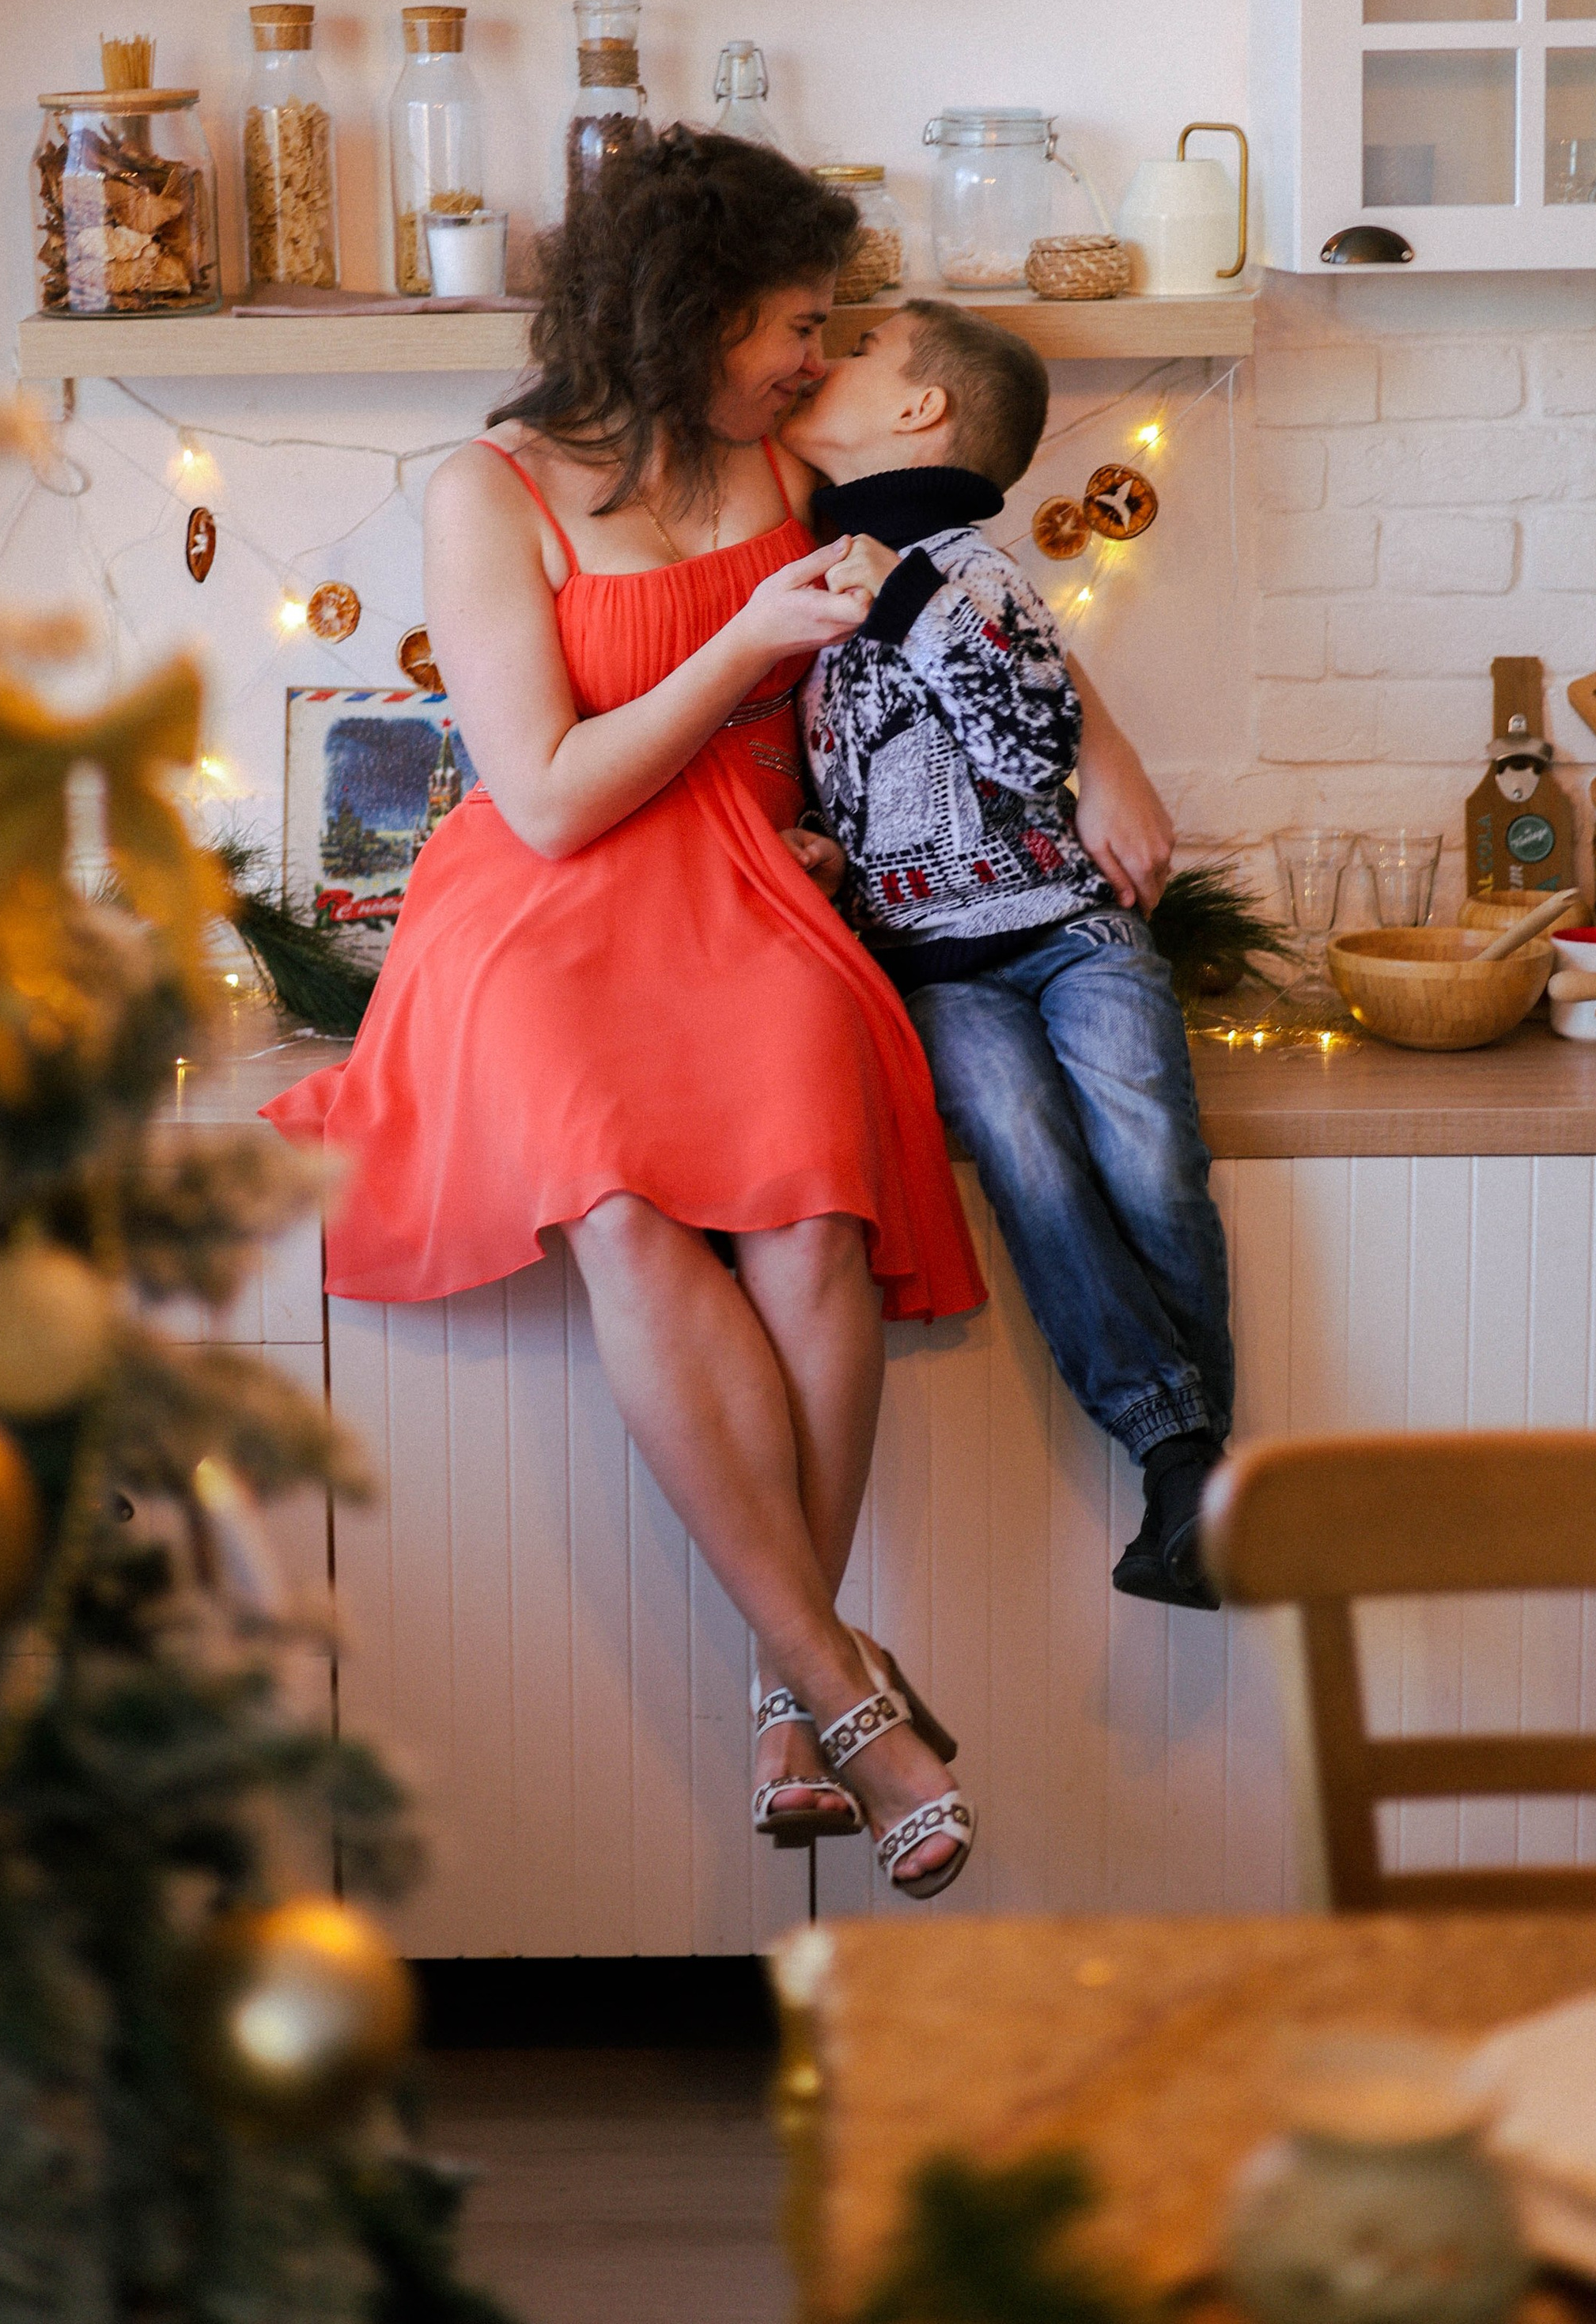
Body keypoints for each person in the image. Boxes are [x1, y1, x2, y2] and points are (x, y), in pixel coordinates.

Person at [265, 134, 998, 1894]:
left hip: (751, 887)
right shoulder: (489, 490)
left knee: (813, 1213)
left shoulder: (790, 455)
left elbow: (975, 599)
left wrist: (1071, 767)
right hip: (548, 904)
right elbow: (544, 799)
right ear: (693, 310)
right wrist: (741, 645)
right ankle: (840, 1686)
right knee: (613, 1193)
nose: (813, 357)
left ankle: (791, 1693)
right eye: (793, 323)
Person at [784, 297, 1234, 1607]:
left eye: (859, 348)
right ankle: (1190, 1462)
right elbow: (853, 769)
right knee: (1027, 1153)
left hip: (1070, 933)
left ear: (919, 410)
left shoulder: (966, 571)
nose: (828, 356)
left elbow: (1032, 743)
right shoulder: (821, 579)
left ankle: (1191, 1475)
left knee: (1150, 1154)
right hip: (935, 971)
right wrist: (825, 850)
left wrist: (903, 594)